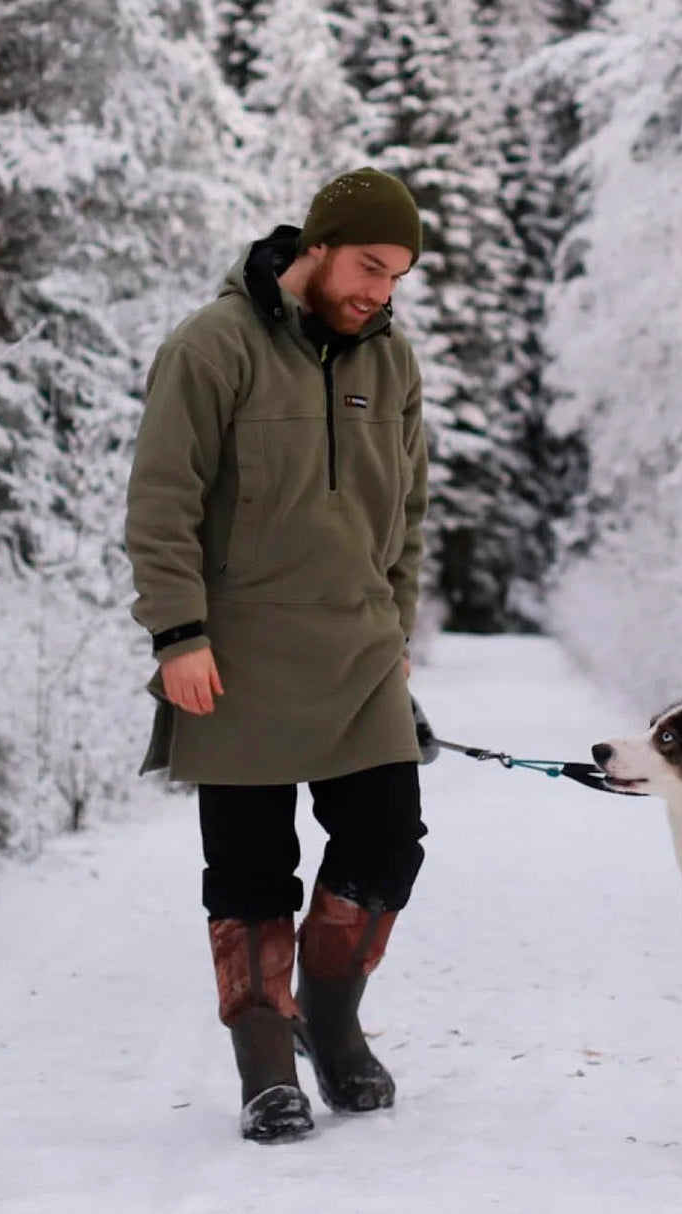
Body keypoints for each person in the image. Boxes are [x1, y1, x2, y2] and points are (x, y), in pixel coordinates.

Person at [124, 168, 429, 1142]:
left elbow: (411, 511)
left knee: (388, 840)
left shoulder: (392, 362)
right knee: (250, 864)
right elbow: (161, 501)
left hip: (359, 645)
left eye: (397, 277)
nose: (379, 292)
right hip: (237, 646)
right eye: (368, 267)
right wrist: (178, 631)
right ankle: (265, 1054)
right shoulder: (212, 346)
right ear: (317, 246)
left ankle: (330, 1020)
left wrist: (399, 622)